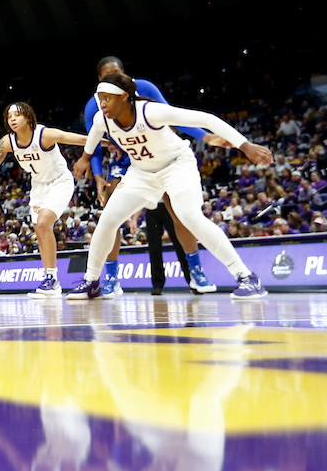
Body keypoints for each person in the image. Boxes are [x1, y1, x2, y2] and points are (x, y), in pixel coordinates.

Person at [67, 72, 271, 300]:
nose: (102, 103)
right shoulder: (101, 119)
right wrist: (85, 157)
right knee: (107, 221)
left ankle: (246, 276)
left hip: (176, 166)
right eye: (100, 98)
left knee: (189, 216)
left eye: (108, 98)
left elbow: (206, 120)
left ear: (124, 96)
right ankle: (91, 281)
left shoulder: (150, 112)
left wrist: (244, 145)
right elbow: (94, 136)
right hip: (141, 173)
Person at [82, 57, 226, 296]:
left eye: (118, 74)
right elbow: (93, 144)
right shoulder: (93, 106)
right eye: (107, 76)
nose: (113, 79)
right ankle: (112, 279)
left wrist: (204, 136)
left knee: (180, 214)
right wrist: (98, 175)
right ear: (99, 80)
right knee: (110, 218)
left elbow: (174, 116)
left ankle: (196, 273)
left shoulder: (145, 88)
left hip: (155, 154)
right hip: (123, 158)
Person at [0, 103, 87, 297]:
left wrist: (109, 142)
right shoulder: (7, 142)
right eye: (9, 117)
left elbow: (78, 139)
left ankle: (52, 279)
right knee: (40, 231)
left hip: (59, 181)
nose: (13, 119)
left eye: (17, 115)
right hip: (38, 186)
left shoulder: (44, 135)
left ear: (28, 117)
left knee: (43, 223)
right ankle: (51, 280)